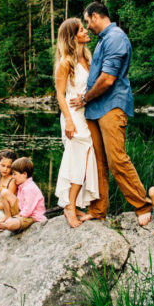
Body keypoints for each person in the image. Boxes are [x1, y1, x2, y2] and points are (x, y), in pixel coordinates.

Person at [69, 2, 151, 225]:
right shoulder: (103, 40)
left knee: (116, 159)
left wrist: (85, 98)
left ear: (95, 16)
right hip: (96, 109)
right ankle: (98, 210)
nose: (88, 26)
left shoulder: (115, 37)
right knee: (98, 162)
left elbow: (107, 79)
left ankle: (142, 205)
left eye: (87, 21)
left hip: (111, 106)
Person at [54, 17, 100, 227]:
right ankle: (70, 206)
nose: (86, 31)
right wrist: (69, 123)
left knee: (86, 158)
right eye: (81, 30)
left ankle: (74, 203)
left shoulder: (88, 59)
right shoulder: (66, 62)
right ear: (72, 37)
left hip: (87, 114)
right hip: (73, 117)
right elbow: (60, 95)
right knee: (78, 159)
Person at [0, 156, 47, 231]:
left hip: (31, 217)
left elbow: (27, 211)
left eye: (14, 174)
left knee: (10, 224)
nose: (12, 177)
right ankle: (8, 217)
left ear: (24, 174)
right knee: (4, 192)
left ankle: (8, 223)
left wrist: (15, 217)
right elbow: (20, 204)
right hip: (21, 212)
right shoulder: (22, 186)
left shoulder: (30, 188)